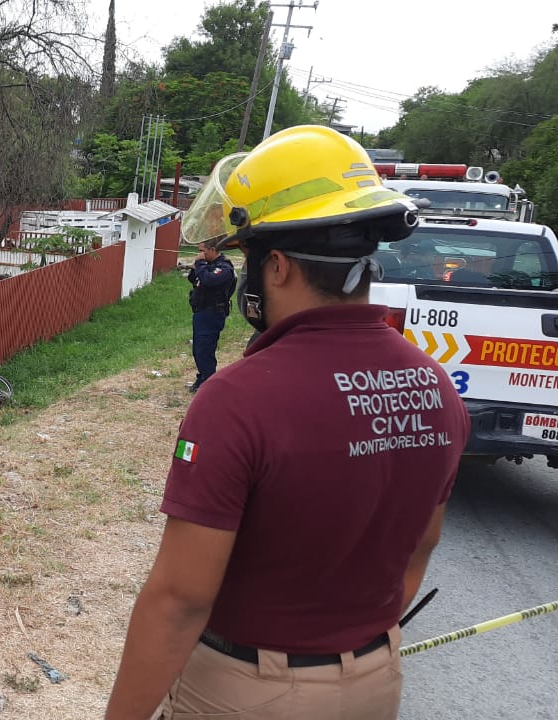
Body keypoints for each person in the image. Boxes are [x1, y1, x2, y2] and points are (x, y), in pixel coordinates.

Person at [104, 126, 470, 720]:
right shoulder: (437, 388)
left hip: (248, 691)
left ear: (275, 267)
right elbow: (417, 553)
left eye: (248, 255)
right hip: (375, 684)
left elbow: (179, 600)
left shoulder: (238, 400)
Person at [187, 244, 236, 392]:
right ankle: (202, 377)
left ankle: (208, 383)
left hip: (213, 313)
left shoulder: (224, 268)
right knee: (198, 349)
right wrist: (195, 267)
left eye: (203, 251)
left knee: (205, 349)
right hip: (201, 311)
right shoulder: (208, 266)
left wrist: (200, 264)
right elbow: (194, 279)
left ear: (213, 249)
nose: (200, 254)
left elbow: (209, 280)